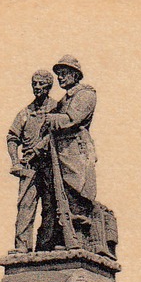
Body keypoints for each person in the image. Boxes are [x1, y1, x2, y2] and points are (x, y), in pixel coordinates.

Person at [45, 56, 117, 256]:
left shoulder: (85, 95)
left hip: (76, 149)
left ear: (75, 74)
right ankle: (71, 237)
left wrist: (49, 119)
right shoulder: (64, 100)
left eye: (64, 73)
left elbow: (72, 119)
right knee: (65, 196)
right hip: (62, 150)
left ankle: (84, 238)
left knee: (78, 191)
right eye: (58, 74)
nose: (60, 77)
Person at [7, 69, 58, 251]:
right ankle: (22, 246)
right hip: (29, 166)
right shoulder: (25, 113)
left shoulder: (57, 108)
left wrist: (39, 149)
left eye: (41, 84)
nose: (37, 87)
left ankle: (46, 246)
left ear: (49, 86)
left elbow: (57, 133)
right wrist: (15, 160)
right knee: (25, 206)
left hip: (51, 166)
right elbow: (12, 137)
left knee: (51, 205)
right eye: (34, 84)